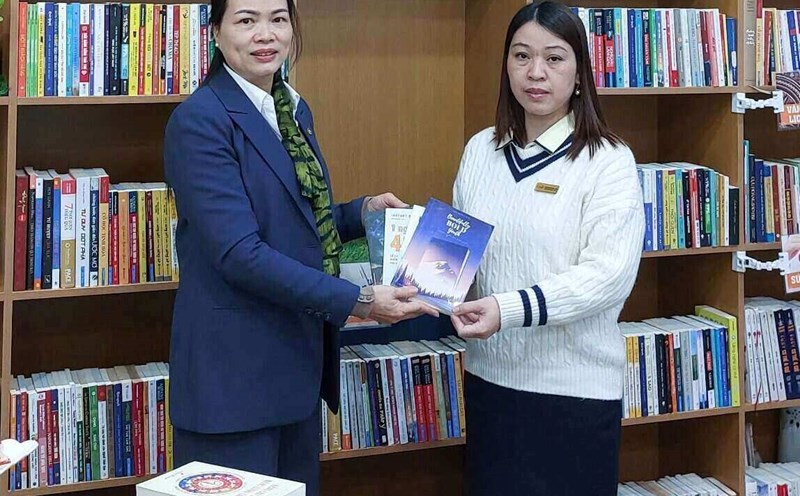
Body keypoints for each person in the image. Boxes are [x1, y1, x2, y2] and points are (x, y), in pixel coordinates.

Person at [162, 0, 437, 493]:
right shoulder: (199, 120)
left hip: (296, 371)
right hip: (233, 384)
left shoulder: (291, 108)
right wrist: (360, 302)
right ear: (216, 33)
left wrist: (359, 213)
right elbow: (239, 254)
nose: (265, 34)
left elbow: (295, 221)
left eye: (278, 18)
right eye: (246, 20)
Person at [449, 2, 645, 495]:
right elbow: (461, 257)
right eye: (521, 56)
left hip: (573, 396)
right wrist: (418, 281)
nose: (535, 72)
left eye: (554, 58)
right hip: (490, 384)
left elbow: (607, 276)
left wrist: (507, 309)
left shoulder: (608, 160)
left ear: (580, 73)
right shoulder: (480, 150)